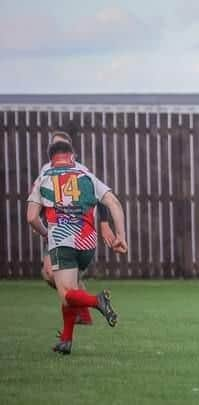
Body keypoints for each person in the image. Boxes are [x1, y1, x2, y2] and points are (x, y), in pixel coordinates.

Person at [26, 141, 127, 355]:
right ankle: (66, 339)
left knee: (66, 292)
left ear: (50, 157)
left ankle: (96, 301)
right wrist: (121, 237)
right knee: (69, 288)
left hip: (62, 239)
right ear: (72, 155)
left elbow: (32, 217)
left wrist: (46, 233)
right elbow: (114, 203)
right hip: (87, 242)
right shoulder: (85, 174)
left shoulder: (45, 175)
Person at [38, 131, 116, 326]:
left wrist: (104, 223)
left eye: (62, 145)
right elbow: (41, 196)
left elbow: (101, 195)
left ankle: (80, 318)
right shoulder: (46, 169)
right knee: (52, 277)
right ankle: (84, 312)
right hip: (53, 231)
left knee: (59, 278)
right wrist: (40, 223)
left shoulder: (82, 171)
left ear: (71, 150)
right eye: (55, 146)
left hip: (77, 232)